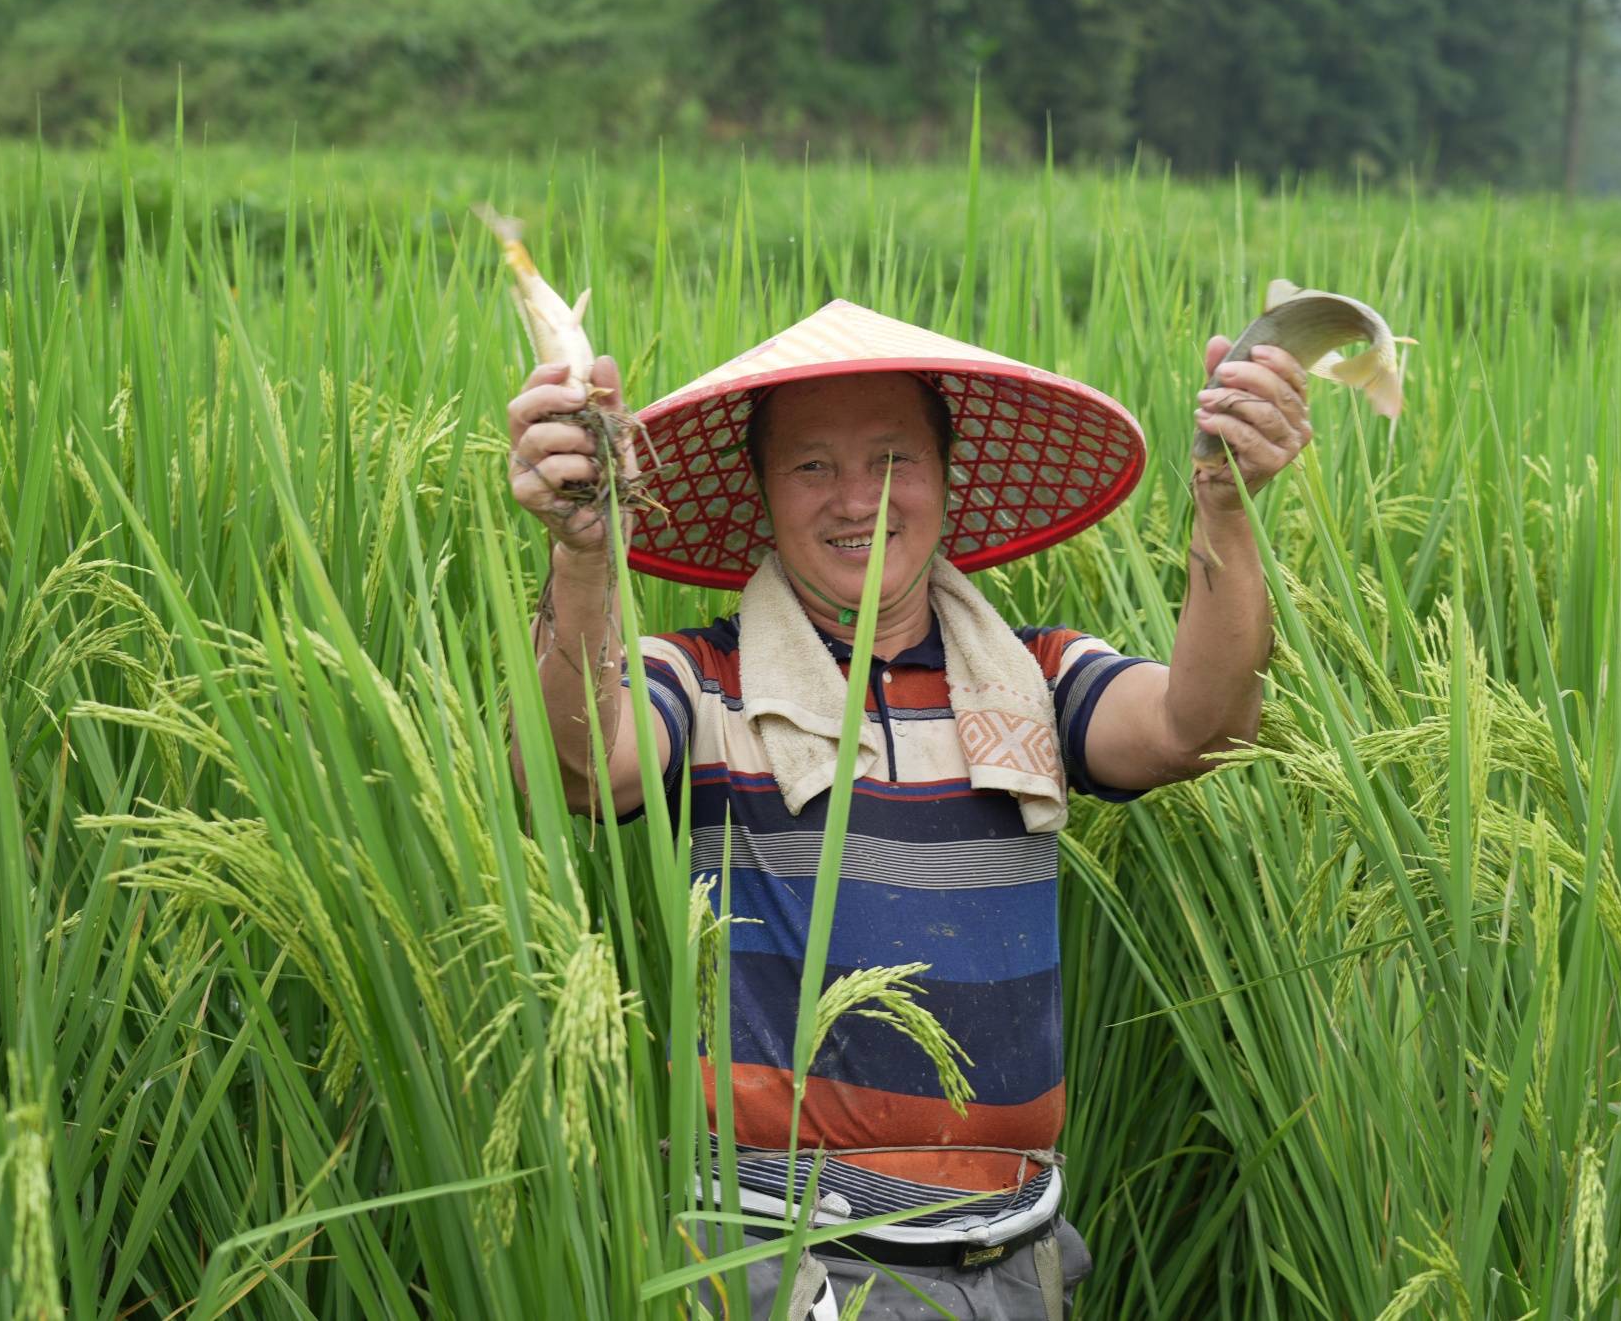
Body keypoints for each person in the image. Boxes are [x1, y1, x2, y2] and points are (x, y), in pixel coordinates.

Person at [505, 300, 1310, 1319]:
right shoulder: (705, 681)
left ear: (943, 482)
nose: (858, 500)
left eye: (894, 461)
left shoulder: (1032, 675)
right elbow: (577, 767)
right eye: (811, 468)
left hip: (1015, 1259)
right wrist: (583, 554)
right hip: (783, 1263)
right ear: (760, 494)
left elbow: (1198, 725)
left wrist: (1225, 502)